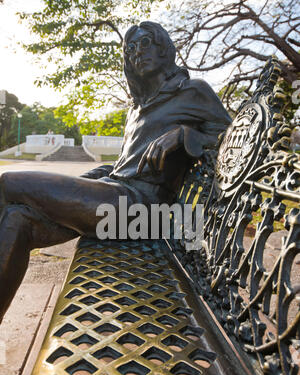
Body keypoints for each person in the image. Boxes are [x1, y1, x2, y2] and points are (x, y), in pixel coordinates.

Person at [0, 21, 231, 322]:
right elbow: (123, 165)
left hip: (143, 213)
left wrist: (186, 135)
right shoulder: (136, 109)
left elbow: (234, 136)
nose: (138, 52)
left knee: (6, 184)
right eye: (130, 48)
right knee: (17, 220)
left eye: (146, 43)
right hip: (114, 200)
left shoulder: (192, 91)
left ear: (164, 47)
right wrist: (81, 183)